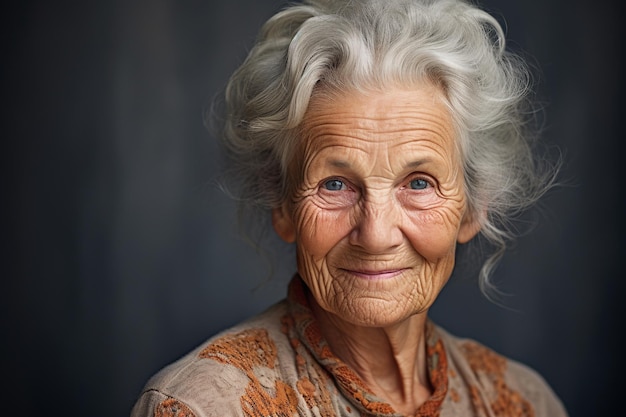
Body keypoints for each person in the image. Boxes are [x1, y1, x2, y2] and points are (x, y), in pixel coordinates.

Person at [131, 0, 568, 415]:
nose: (376, 235)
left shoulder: (525, 402)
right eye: (335, 185)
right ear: (283, 206)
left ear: (473, 208)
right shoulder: (200, 407)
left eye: (419, 183)